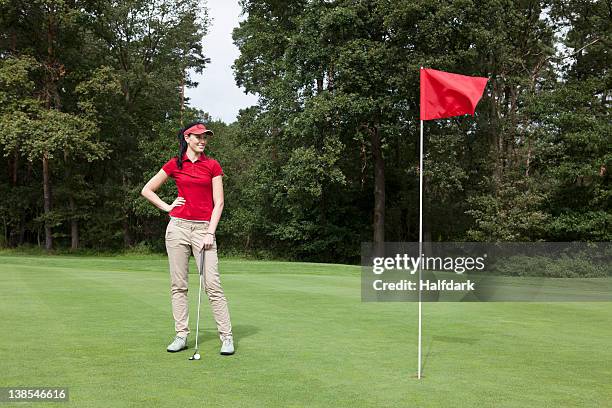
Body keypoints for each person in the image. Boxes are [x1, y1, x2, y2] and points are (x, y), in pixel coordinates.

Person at [141, 121, 234, 355]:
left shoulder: (212, 165)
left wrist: (211, 232)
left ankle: (227, 337)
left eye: (205, 138)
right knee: (178, 286)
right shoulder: (175, 164)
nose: (203, 141)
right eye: (198, 137)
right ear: (187, 137)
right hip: (178, 228)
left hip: (204, 229)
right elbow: (147, 190)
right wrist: (168, 207)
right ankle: (181, 334)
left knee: (213, 285)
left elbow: (219, 202)